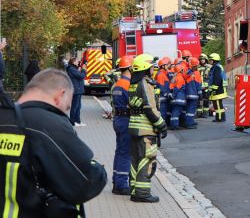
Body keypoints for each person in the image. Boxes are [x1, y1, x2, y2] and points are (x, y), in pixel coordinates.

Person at [0, 69, 107, 217]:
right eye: (67, 107)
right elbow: (86, 181)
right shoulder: (48, 124)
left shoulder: (4, 118)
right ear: (60, 95)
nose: (65, 112)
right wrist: (98, 168)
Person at [128, 54, 167, 203]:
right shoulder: (145, 83)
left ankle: (134, 191)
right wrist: (162, 125)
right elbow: (150, 108)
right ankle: (142, 193)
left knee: (135, 161)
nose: (153, 69)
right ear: (145, 68)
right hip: (145, 130)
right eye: (151, 66)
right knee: (146, 160)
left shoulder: (133, 83)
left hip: (134, 128)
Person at [110, 56, 133, 195]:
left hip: (118, 119)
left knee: (119, 151)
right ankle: (121, 184)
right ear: (130, 68)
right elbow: (132, 103)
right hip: (126, 120)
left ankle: (116, 180)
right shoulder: (128, 85)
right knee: (126, 153)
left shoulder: (118, 83)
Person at [66, 57, 86, 126]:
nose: (78, 62)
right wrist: (83, 70)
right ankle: (72, 122)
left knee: (78, 106)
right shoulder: (72, 69)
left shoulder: (74, 68)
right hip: (76, 90)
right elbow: (81, 76)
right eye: (77, 61)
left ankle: (78, 121)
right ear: (73, 62)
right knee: (75, 106)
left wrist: (80, 69)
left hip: (79, 89)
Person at [208, 53, 228, 122]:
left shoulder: (216, 68)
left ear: (214, 60)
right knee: (218, 105)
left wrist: (213, 89)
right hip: (219, 89)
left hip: (218, 90)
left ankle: (219, 118)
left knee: (218, 105)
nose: (209, 61)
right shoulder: (216, 67)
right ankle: (221, 118)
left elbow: (217, 79)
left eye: (211, 60)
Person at [184, 57, 202, 129]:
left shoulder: (188, 72)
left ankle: (190, 121)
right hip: (194, 94)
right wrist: (200, 94)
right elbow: (198, 84)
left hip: (187, 94)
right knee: (191, 109)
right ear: (195, 66)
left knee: (188, 109)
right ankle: (189, 123)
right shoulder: (196, 73)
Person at [168, 63, 187, 130]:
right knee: (176, 113)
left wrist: (171, 95)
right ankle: (175, 125)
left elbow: (171, 87)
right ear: (180, 71)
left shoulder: (174, 77)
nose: (183, 71)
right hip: (178, 98)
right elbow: (177, 88)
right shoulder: (180, 78)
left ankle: (174, 124)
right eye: (182, 70)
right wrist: (173, 95)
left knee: (174, 112)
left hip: (174, 99)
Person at [155, 57, 172, 124]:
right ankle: (162, 126)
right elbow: (161, 87)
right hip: (162, 97)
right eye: (166, 65)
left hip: (163, 97)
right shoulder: (161, 75)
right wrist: (166, 94)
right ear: (163, 66)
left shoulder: (163, 74)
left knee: (164, 112)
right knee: (162, 112)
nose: (167, 67)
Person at [198, 53, 212, 118]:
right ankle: (199, 113)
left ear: (206, 60)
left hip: (206, 87)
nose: (202, 60)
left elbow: (211, 77)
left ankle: (205, 113)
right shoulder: (197, 67)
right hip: (199, 86)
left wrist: (210, 86)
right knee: (199, 100)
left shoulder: (209, 67)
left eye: (203, 59)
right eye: (201, 59)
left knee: (206, 100)